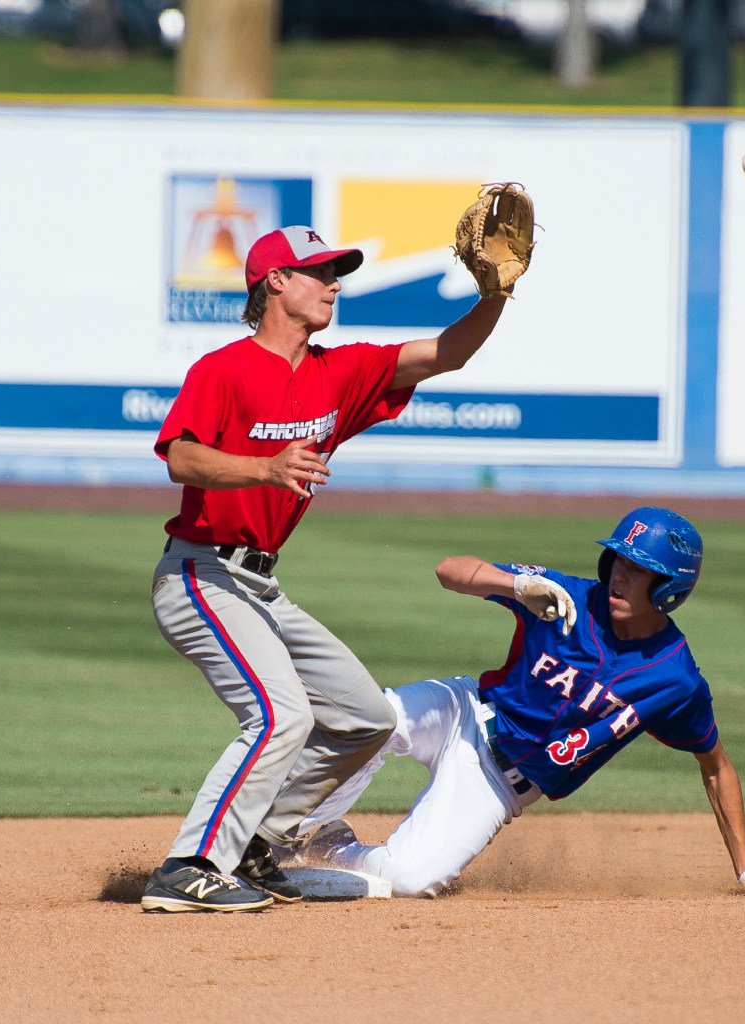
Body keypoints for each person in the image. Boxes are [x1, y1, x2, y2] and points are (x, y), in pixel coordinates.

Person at [141, 224, 514, 912]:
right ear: (275, 282)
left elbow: (446, 353)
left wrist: (497, 294)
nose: (334, 283)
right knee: (279, 714)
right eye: (320, 272)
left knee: (364, 717)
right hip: (200, 577)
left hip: (259, 585)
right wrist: (264, 466)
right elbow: (180, 458)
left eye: (337, 272)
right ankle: (188, 867)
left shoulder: (336, 372)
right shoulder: (223, 370)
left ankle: (256, 841)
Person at [293, 506, 745, 899]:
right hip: (466, 710)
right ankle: (287, 829)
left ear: (670, 589)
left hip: (500, 782)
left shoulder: (675, 680)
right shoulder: (564, 595)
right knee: (376, 719)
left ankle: (331, 847)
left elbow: (716, 766)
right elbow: (450, 569)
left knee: (408, 880)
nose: (620, 576)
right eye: (618, 561)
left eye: (638, 569)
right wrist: (516, 585)